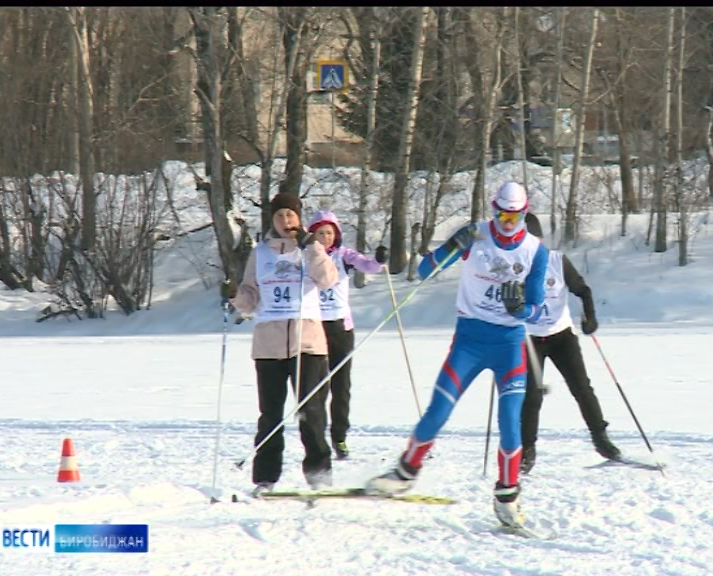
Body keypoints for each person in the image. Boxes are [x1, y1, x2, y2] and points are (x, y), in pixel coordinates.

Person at [366, 182, 549, 528]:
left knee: (511, 422)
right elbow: (423, 272)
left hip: (510, 345)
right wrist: (452, 245)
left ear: (525, 214)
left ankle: (507, 497)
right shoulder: (475, 235)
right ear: (493, 209)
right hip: (470, 340)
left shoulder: (535, 251)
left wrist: (521, 308)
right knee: (439, 409)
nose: (507, 222)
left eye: (515, 215)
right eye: (501, 214)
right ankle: (405, 473)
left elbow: (540, 310)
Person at [229, 192, 338, 494]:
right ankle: (265, 478)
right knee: (270, 415)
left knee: (311, 412)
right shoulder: (260, 253)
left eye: (290, 215)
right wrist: (235, 295)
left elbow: (328, 278)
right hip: (269, 345)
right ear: (272, 220)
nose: (285, 221)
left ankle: (319, 477)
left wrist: (311, 245)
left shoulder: (311, 247)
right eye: (279, 216)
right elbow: (250, 298)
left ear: (299, 218)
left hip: (308, 344)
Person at [519, 212, 621, 475]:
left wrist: (590, 317)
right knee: (531, 396)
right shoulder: (513, 267)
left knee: (582, 388)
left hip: (561, 336)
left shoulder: (556, 261)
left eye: (534, 240)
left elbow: (583, 291)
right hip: (529, 340)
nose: (531, 246)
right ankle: (526, 450)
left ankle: (600, 438)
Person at [307, 210, 390, 460]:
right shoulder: (304, 256)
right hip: (314, 328)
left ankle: (339, 437)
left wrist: (379, 260)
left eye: (330, 232)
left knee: (341, 387)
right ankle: (316, 436)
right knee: (316, 387)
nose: (325, 237)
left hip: (341, 328)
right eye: (320, 233)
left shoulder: (343, 255)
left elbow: (368, 265)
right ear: (312, 234)